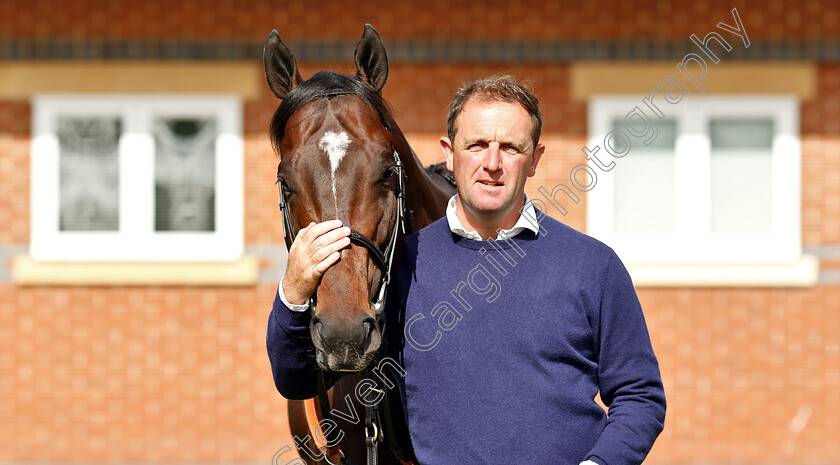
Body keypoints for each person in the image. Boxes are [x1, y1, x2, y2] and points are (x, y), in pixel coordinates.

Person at [268, 75, 666, 465]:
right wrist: (294, 292)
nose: (491, 163)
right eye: (475, 145)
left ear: (535, 160)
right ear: (448, 152)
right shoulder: (403, 265)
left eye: (510, 147)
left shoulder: (593, 265)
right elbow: (297, 380)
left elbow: (640, 396)